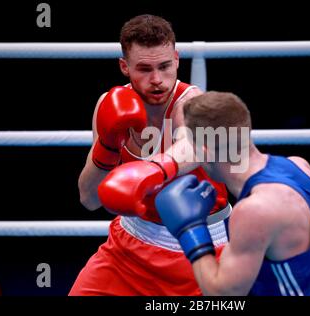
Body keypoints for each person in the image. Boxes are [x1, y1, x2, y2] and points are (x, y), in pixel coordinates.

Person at [71, 15, 230, 296]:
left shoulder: (193, 102)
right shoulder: (109, 106)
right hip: (129, 244)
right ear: (125, 66)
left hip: (199, 247)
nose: (157, 80)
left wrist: (150, 171)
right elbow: (89, 199)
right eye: (144, 69)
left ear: (177, 60)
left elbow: (191, 146)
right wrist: (107, 148)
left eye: (165, 66)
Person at [155, 91, 310, 296]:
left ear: (202, 152)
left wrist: (191, 231)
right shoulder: (297, 165)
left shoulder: (254, 211)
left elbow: (223, 295)